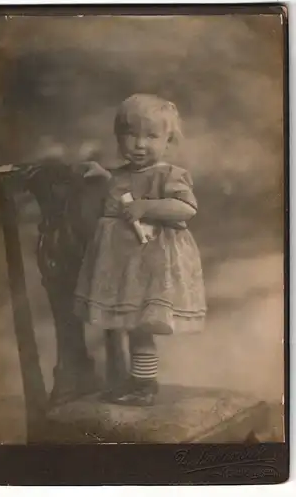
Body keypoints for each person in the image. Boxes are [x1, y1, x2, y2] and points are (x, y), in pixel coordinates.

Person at [74, 93, 206, 406]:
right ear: (118, 137)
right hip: (120, 265)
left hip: (151, 263)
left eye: (150, 136)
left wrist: (148, 206)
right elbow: (120, 191)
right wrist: (104, 176)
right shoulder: (120, 174)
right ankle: (128, 380)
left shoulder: (169, 175)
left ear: (168, 139)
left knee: (140, 328)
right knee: (124, 324)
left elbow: (185, 209)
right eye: (129, 134)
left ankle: (144, 384)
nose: (139, 144)